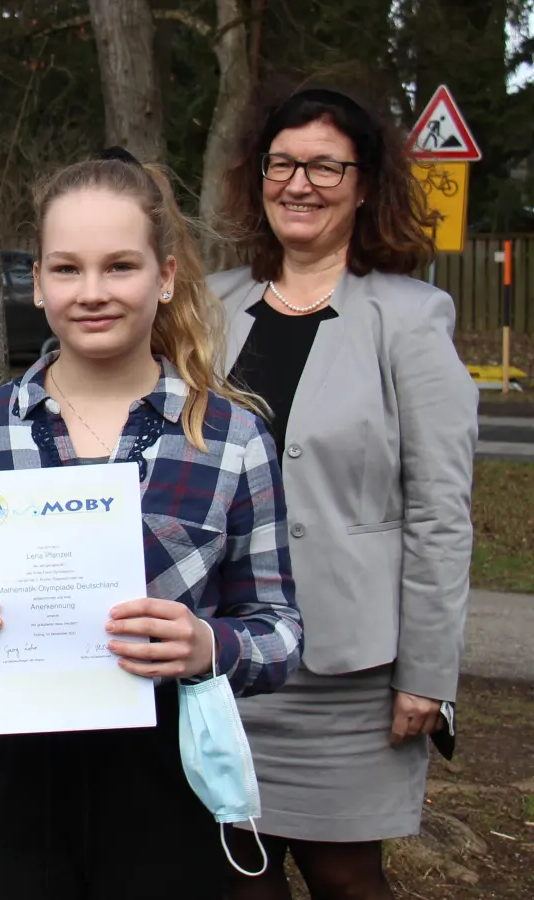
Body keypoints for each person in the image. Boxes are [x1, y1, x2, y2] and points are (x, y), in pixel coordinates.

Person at [0, 151, 303, 900]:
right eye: (66, 269)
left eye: (119, 266)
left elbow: (279, 631)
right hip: (11, 790)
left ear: (166, 277)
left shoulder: (232, 440)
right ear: (38, 282)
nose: (92, 292)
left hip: (166, 781)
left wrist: (207, 645)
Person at [212, 88, 477, 900]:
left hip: (348, 677)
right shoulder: (209, 307)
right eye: (283, 163)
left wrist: (428, 674)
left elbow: (440, 511)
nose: (300, 183)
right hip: (222, 663)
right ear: (258, 176)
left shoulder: (410, 317)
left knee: (346, 878)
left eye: (326, 166)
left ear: (364, 185)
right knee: (235, 875)